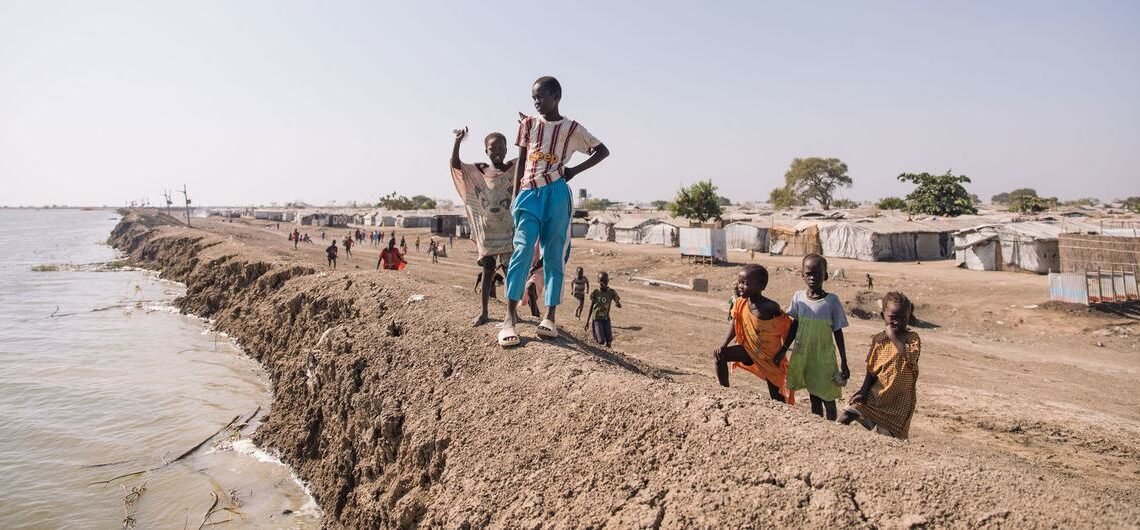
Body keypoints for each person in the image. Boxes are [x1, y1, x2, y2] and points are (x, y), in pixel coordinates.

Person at [498, 76, 610, 347]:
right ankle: (509, 319)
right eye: (533, 97)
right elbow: (522, 162)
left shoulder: (572, 128)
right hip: (528, 193)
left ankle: (549, 318)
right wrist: (515, 197)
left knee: (554, 254)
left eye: (541, 96)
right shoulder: (528, 124)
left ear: (556, 96)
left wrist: (573, 170)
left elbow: (602, 151)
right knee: (522, 250)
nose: (536, 102)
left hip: (557, 194)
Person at [450, 126, 518, 326]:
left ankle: (512, 313)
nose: (497, 151)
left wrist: (526, 132)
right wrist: (457, 142)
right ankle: (484, 312)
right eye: (492, 148)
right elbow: (456, 164)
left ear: (506, 150)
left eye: (501, 148)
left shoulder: (514, 169)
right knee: (488, 269)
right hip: (487, 231)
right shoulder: (479, 170)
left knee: (509, 271)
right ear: (485, 151)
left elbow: (528, 158)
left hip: (507, 229)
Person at [776, 254, 850, 420]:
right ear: (802, 275)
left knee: (828, 397)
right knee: (814, 396)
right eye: (808, 273)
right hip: (806, 355)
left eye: (817, 273)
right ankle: (819, 427)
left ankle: (832, 429)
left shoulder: (831, 301)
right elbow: (794, 325)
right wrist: (783, 349)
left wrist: (844, 361)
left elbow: (838, 331)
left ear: (825, 276)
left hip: (824, 358)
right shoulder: (798, 298)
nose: (812, 277)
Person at [839, 292, 921, 439]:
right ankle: (832, 437)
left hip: (898, 401)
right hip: (877, 394)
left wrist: (893, 336)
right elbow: (872, 369)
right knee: (848, 413)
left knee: (886, 437)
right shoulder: (879, 339)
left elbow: (910, 357)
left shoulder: (912, 338)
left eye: (904, 318)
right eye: (893, 318)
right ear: (883, 315)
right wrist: (863, 390)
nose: (899, 322)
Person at [712, 265, 795, 403]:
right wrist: (724, 344)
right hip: (749, 349)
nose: (740, 286)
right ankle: (724, 393)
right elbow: (734, 323)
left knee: (778, 398)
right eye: (739, 282)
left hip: (770, 357)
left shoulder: (770, 307)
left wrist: (783, 352)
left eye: (745, 283)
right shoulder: (739, 303)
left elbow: (787, 326)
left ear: (761, 286)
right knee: (720, 356)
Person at [585, 272, 621, 347]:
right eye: (602, 281)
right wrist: (587, 321)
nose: (604, 283)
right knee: (601, 341)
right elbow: (591, 306)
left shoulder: (611, 292)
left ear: (608, 281)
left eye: (605, 281)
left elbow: (617, 302)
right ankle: (598, 349)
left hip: (606, 318)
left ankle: (609, 354)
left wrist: (617, 304)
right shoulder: (595, 292)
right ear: (598, 281)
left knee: (609, 340)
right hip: (597, 319)